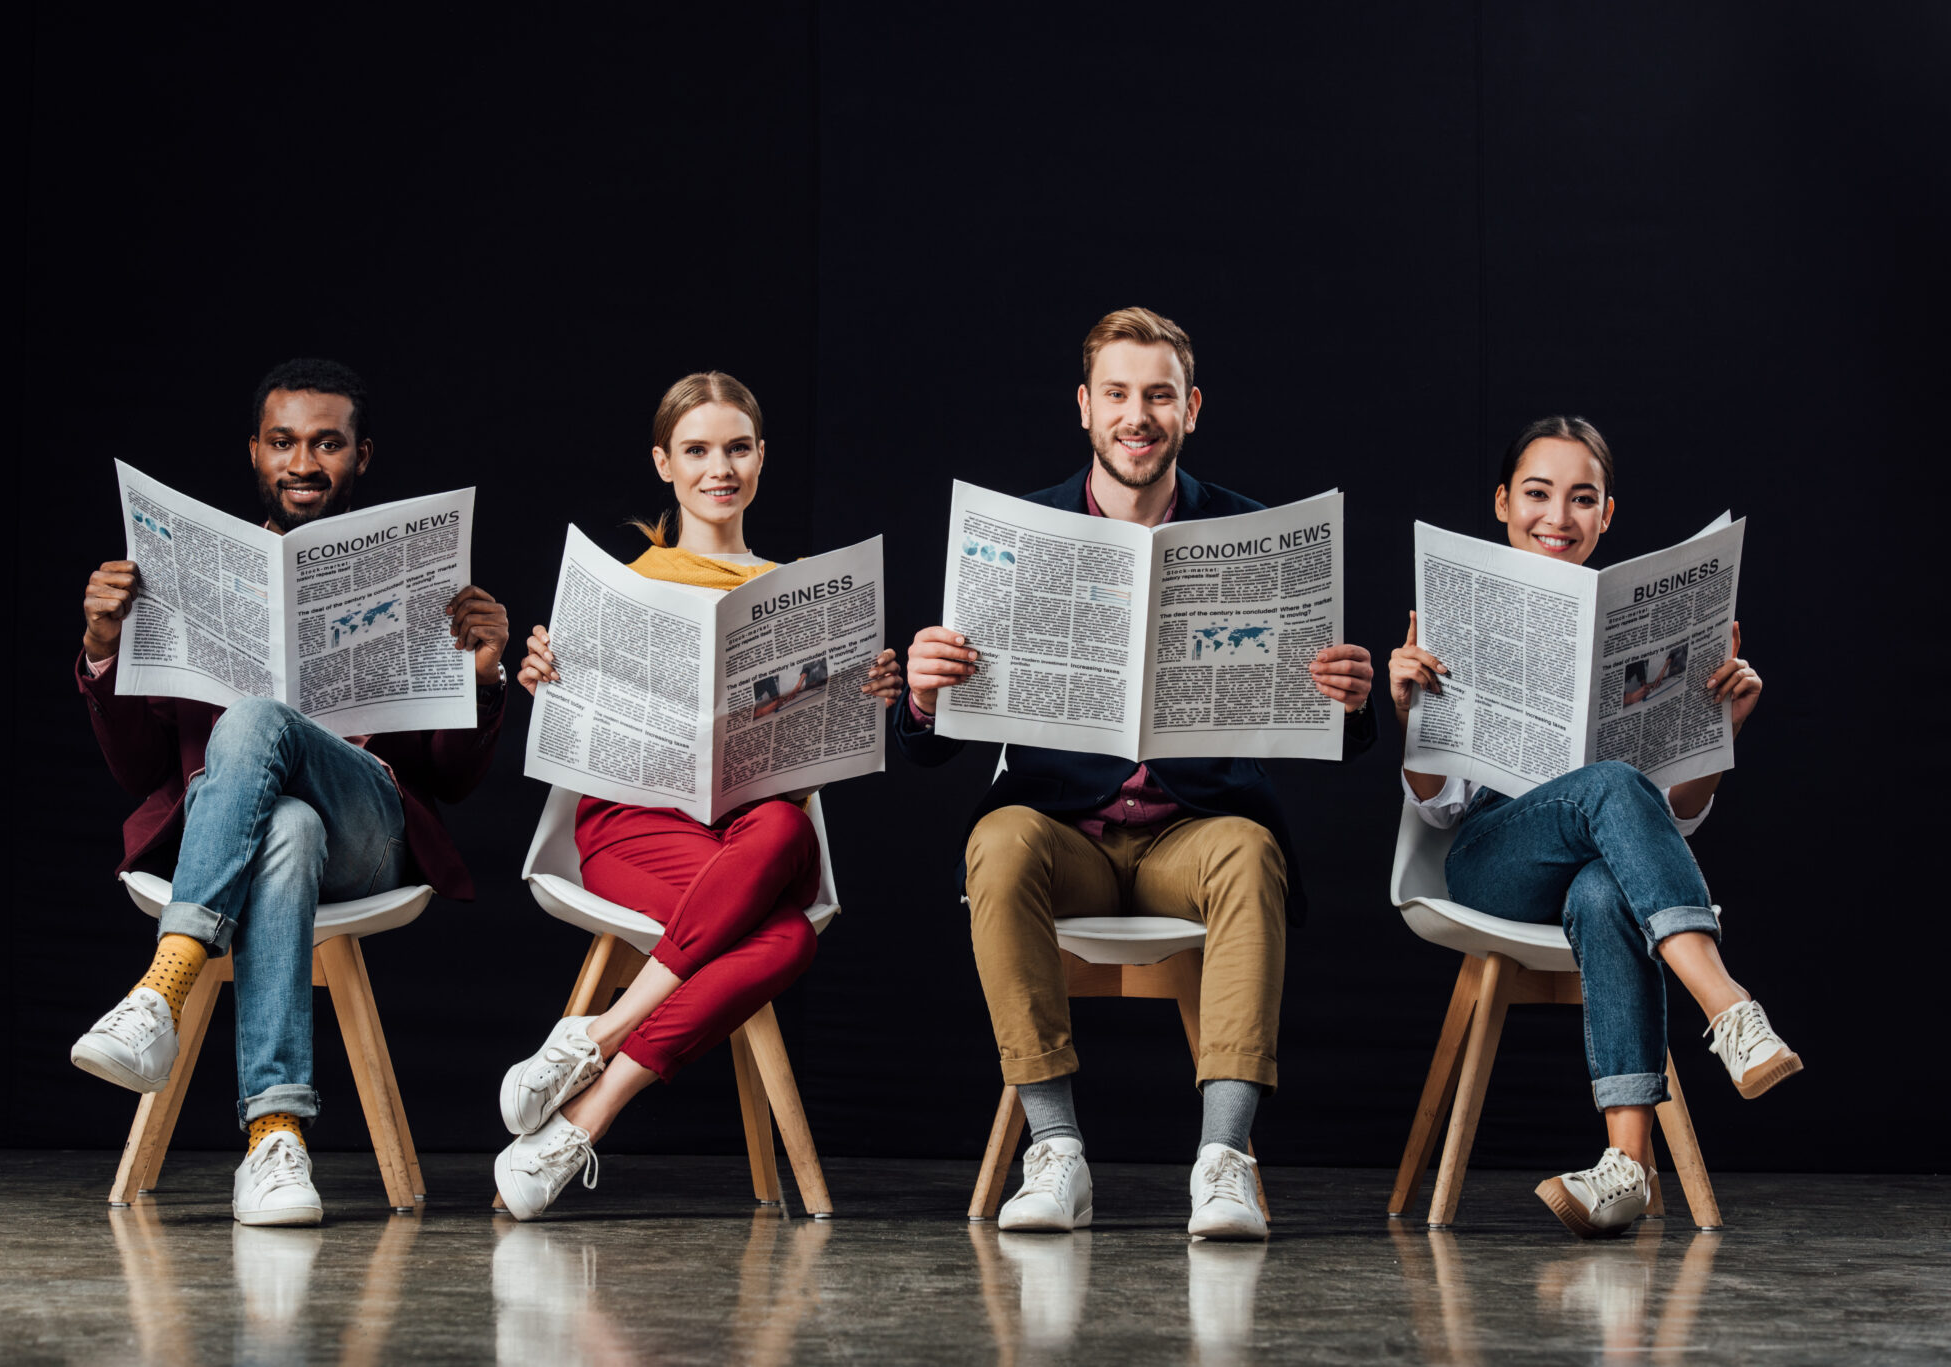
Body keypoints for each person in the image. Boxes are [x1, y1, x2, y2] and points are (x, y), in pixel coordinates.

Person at [895, 308, 1377, 1240]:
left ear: (1190, 408)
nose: (1138, 414)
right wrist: (922, 693)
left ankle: (1225, 1161)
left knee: (1250, 846)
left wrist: (1351, 698)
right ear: (1085, 406)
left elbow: (1338, 734)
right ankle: (1059, 1151)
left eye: (1159, 394)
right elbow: (930, 743)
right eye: (1117, 393)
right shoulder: (1019, 529)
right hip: (1063, 832)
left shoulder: (1250, 530)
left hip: (1190, 832)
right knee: (993, 840)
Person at [72, 358, 514, 1226]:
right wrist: (101, 644)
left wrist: (487, 676)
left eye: (326, 443)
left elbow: (454, 780)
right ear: (254, 451)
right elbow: (137, 771)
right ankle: (277, 1141)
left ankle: (162, 985)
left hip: (370, 831)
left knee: (260, 728)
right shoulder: (189, 573)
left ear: (362, 454)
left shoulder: (422, 581)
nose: (303, 462)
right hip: (246, 833)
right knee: (287, 827)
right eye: (283, 442)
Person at [497, 371, 905, 1220]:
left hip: (745, 833)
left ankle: (591, 1070)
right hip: (631, 830)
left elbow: (812, 765)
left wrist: (864, 698)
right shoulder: (620, 587)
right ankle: (584, 1100)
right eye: (697, 450)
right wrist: (547, 671)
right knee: (786, 938)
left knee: (786, 829)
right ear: (663, 462)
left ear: (762, 458)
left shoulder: (800, 594)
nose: (719, 468)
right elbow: (571, 717)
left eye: (737, 448)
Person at [1389, 414, 1797, 1240]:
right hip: (1491, 858)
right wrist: (1412, 715)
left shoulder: (1627, 620)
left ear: (1607, 515)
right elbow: (1437, 807)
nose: (1558, 515)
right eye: (1538, 493)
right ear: (1504, 501)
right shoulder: (1461, 611)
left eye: (1583, 499)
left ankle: (1626, 1167)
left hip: (1604, 865)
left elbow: (1676, 816)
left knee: (1611, 885)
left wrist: (1723, 732)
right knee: (1609, 788)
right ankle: (1727, 1005)